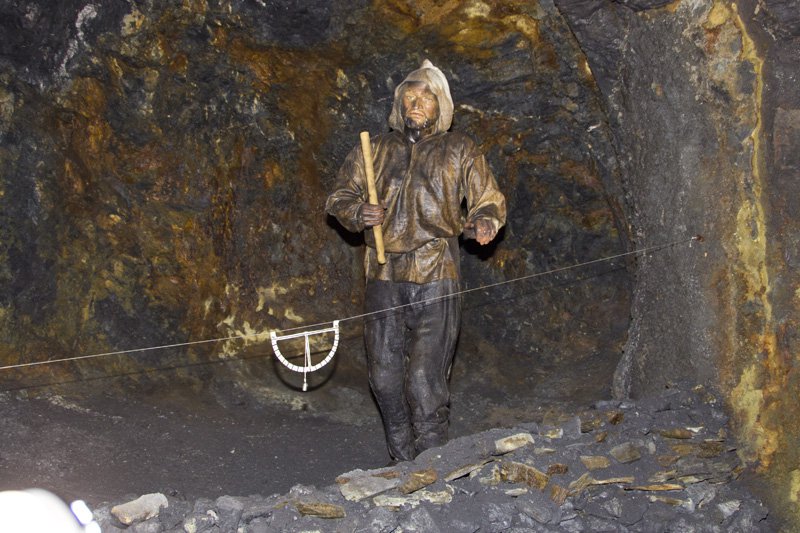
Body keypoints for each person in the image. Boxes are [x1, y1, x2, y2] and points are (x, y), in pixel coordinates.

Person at [326, 60, 506, 462]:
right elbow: (339, 197)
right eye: (410, 95)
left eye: (427, 96)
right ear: (399, 103)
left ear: (441, 105)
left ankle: (432, 469)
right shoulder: (374, 150)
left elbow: (488, 199)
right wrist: (357, 212)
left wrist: (484, 221)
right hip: (384, 272)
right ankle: (402, 462)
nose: (417, 102)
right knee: (384, 378)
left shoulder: (459, 149)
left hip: (436, 271)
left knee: (424, 381)